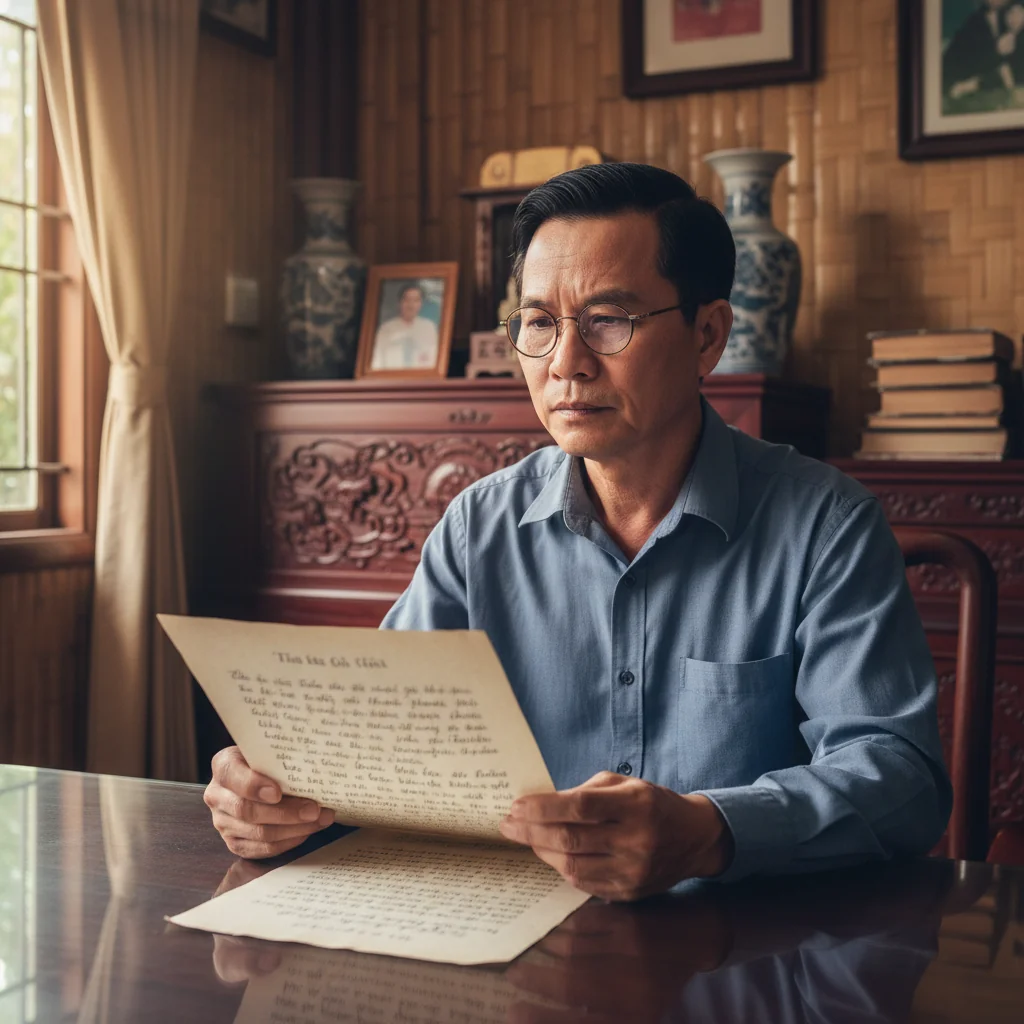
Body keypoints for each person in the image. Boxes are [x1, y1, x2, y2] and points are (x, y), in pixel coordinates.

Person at [204, 163, 951, 899]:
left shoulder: (826, 525)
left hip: (744, 960)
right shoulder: (478, 527)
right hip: (513, 952)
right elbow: (377, 752)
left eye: (608, 320)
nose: (566, 363)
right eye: (538, 322)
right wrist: (277, 800)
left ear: (708, 334)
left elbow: (899, 777)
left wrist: (710, 830)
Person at [369, 282, 439, 370]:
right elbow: (377, 361)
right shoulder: (386, 329)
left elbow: (434, 360)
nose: (411, 305)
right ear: (400, 302)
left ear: (421, 304)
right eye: (407, 300)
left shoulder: (429, 328)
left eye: (416, 300)